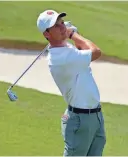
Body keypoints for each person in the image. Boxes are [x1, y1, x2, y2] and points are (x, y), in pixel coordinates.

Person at [36, 9, 106, 156]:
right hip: (80, 121)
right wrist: (73, 34)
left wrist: (69, 36)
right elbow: (96, 52)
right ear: (46, 34)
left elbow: (82, 49)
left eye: (61, 23)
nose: (62, 27)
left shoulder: (65, 48)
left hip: (95, 115)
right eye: (56, 26)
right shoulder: (60, 58)